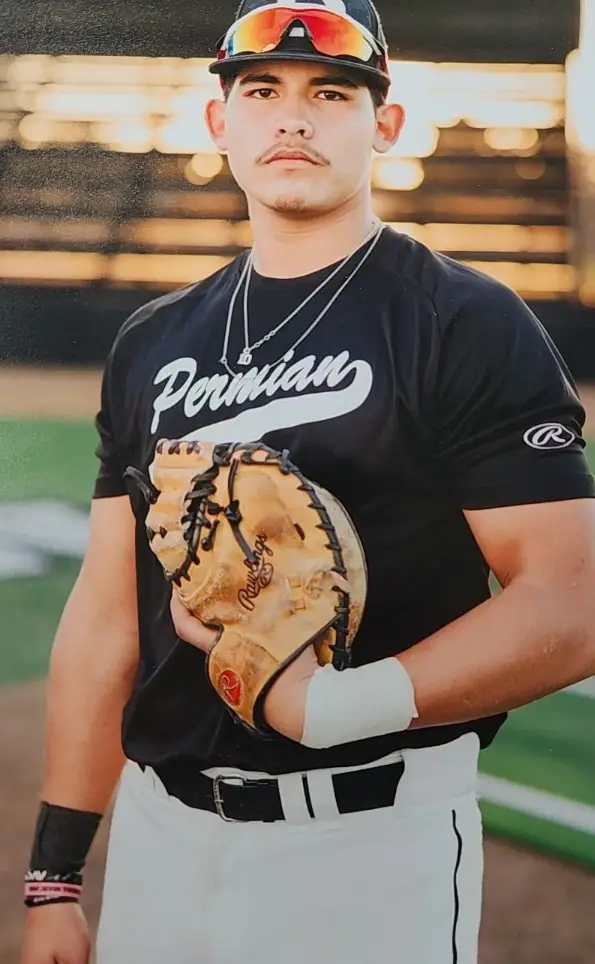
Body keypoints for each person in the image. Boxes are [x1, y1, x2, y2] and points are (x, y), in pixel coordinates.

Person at [20, 1, 595, 962]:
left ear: (385, 124)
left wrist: (332, 706)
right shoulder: (153, 341)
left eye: (331, 93)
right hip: (163, 842)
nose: (292, 117)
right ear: (219, 122)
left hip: (371, 848)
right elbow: (107, 615)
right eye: (261, 91)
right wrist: (55, 876)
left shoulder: (462, 320)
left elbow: (571, 602)